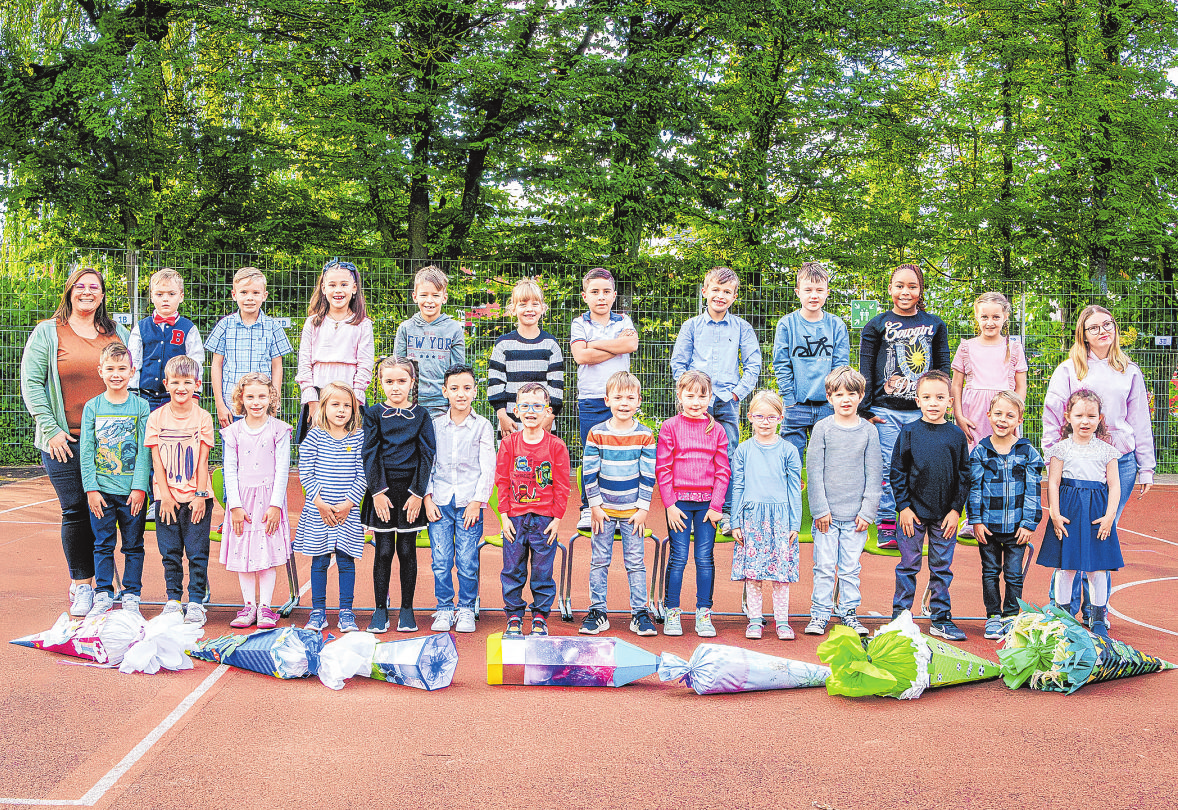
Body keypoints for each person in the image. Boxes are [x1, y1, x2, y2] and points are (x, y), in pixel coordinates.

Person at [20, 267, 130, 615]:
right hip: (64, 440)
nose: (86, 291)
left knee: (109, 513)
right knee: (76, 510)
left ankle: (106, 588)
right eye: (79, 286)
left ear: (102, 295)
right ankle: (82, 585)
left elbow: (130, 379)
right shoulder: (48, 333)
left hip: (110, 442)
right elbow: (31, 382)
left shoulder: (118, 332)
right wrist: (50, 429)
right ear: (69, 292)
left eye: (93, 287)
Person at [1042, 305, 1154, 621]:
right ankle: (1061, 610)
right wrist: (1054, 458)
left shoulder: (1129, 371)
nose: (1103, 330)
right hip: (1077, 467)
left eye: (1108, 324)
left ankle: (1096, 611)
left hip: (1120, 464)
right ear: (1084, 335)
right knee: (1071, 532)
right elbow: (1052, 417)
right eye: (1094, 327)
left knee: (1102, 531)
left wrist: (1146, 465)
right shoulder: (1068, 370)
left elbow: (1140, 420)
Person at [859, 263, 951, 548]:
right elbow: (866, 369)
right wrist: (866, 409)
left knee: (920, 469)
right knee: (888, 468)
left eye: (912, 286)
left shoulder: (935, 324)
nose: (905, 291)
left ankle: (917, 523)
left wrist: (941, 404)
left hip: (922, 414)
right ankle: (887, 525)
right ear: (890, 289)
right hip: (886, 412)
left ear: (920, 289)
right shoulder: (876, 324)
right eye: (899, 285)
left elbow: (943, 367)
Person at [670, 266, 760, 534]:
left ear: (734, 297)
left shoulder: (742, 328)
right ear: (705, 291)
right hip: (697, 404)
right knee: (694, 456)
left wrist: (736, 393)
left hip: (726, 402)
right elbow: (679, 363)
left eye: (727, 292)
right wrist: (690, 394)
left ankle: (727, 513)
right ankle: (694, 509)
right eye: (716, 290)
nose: (721, 296)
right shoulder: (692, 327)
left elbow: (754, 363)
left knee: (728, 455)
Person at [889, 369, 970, 641]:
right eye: (927, 397)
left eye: (939, 397)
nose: (933, 403)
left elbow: (964, 476)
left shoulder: (957, 436)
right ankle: (900, 617)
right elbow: (897, 473)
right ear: (917, 400)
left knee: (941, 568)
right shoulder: (909, 432)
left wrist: (956, 511)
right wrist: (904, 508)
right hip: (912, 515)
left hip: (945, 517)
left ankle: (941, 618)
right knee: (908, 566)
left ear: (950, 401)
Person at [578, 371, 658, 638]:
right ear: (607, 400)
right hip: (603, 512)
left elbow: (648, 474)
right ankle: (598, 611)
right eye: (618, 397)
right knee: (599, 561)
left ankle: (639, 613)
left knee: (635, 562)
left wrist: (643, 508)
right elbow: (589, 472)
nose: (624, 403)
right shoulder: (596, 433)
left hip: (633, 512)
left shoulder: (645, 435)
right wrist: (595, 506)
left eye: (630, 397)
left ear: (639, 401)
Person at [360, 357, 437, 634]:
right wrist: (377, 492)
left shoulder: (422, 416)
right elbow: (369, 453)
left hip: (410, 494)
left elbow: (427, 455)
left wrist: (418, 493)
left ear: (412, 382)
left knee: (406, 550)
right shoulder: (373, 414)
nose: (395, 387)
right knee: (382, 551)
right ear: (380, 384)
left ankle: (407, 609)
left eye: (401, 381)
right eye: (389, 381)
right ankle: (380, 609)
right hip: (382, 492)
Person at [1038, 389, 1122, 640]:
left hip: (1096, 512)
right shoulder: (1060, 449)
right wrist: (1054, 512)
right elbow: (1053, 483)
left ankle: (1098, 617)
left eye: (1091, 416)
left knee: (1098, 569)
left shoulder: (1107, 451)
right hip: (1069, 512)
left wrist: (1109, 517)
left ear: (1100, 418)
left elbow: (1114, 485)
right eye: (1079, 415)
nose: (1085, 421)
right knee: (1067, 567)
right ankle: (1063, 617)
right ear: (1068, 417)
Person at [804, 366, 882, 637]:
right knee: (824, 567)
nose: (845, 399)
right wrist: (820, 510)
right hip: (827, 517)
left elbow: (875, 474)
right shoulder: (822, 429)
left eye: (851, 393)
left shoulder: (868, 432)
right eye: (839, 394)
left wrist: (867, 511)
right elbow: (814, 472)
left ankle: (848, 612)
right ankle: (820, 614)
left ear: (861, 396)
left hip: (856, 518)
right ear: (829, 397)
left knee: (850, 568)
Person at [655, 371, 731, 638]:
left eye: (702, 396)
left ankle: (704, 613)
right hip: (678, 505)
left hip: (707, 507)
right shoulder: (670, 427)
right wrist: (669, 505)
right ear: (679, 396)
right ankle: (672, 612)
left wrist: (717, 505)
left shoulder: (717, 430)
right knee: (679, 558)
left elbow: (723, 471)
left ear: (710, 398)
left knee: (704, 558)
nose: (696, 401)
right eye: (690, 395)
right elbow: (663, 468)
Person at [80, 342, 151, 618]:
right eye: (110, 368)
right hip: (102, 493)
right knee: (102, 544)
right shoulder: (92, 407)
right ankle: (103, 593)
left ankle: (132, 593)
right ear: (100, 371)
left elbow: (145, 450)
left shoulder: (141, 406)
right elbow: (86, 450)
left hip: (131, 494)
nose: (116, 374)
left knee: (134, 545)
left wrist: (139, 487)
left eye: (122, 368)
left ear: (132, 371)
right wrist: (91, 489)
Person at [495, 383, 572, 637]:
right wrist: (504, 516)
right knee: (512, 569)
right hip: (515, 520)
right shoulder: (508, 444)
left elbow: (562, 485)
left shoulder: (556, 446)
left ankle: (540, 616)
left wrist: (557, 519)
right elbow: (502, 481)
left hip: (544, 521)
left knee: (542, 571)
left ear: (547, 411)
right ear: (516, 410)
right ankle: (514, 616)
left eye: (537, 406)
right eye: (525, 406)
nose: (531, 411)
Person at [951, 291, 1028, 539]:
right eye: (984, 317)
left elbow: (1021, 385)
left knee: (1002, 466)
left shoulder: (1014, 348)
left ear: (1005, 317)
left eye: (996, 316)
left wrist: (1015, 414)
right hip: (974, 413)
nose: (990, 322)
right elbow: (956, 385)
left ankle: (1000, 518)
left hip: (1003, 412)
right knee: (974, 465)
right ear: (977, 317)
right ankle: (971, 520)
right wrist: (959, 416)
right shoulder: (966, 347)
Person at [423, 364, 495, 634]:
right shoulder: (435, 426)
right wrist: (428, 498)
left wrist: (477, 501)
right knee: (441, 560)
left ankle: (465, 608)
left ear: (475, 392)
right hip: (440, 502)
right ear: (445, 392)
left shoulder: (483, 427)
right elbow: (427, 464)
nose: (460, 394)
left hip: (468, 505)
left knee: (467, 560)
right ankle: (444, 608)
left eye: (466, 388)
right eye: (454, 389)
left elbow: (488, 468)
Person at [145, 356, 215, 626]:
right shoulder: (156, 418)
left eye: (187, 382)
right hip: (167, 499)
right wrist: (164, 496)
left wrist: (199, 496)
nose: (181, 387)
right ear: (166, 384)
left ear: (197, 384)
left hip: (197, 498)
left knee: (197, 552)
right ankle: (173, 600)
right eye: (175, 382)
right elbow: (156, 462)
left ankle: (196, 601)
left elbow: (202, 460)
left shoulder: (203, 418)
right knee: (170, 552)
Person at [968, 391, 1043, 640]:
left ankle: (1011, 616)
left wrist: (1029, 523)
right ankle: (993, 616)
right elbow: (974, 488)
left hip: (1016, 528)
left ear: (1019, 420)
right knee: (990, 571)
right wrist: (976, 521)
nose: (1003, 419)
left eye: (1010, 415)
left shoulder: (1027, 452)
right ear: (988, 415)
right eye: (998, 414)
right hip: (988, 527)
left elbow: (1033, 490)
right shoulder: (980, 452)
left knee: (1013, 574)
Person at [220, 373, 292, 630]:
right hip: (243, 504)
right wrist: (235, 506)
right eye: (250, 396)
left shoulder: (280, 430)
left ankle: (266, 608)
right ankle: (249, 605)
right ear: (241, 398)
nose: (256, 402)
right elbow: (229, 470)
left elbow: (283, 469)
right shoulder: (233, 432)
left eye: (262, 396)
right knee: (244, 552)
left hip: (268, 503)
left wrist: (275, 505)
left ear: (271, 397)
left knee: (266, 553)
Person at [295, 382, 367, 633]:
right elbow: (306, 471)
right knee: (320, 562)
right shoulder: (314, 436)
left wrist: (348, 504)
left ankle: (346, 612)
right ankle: (318, 612)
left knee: (347, 561)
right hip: (319, 511)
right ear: (323, 407)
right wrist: (320, 503)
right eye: (335, 404)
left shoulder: (359, 437)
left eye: (347, 405)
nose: (341, 410)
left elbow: (363, 474)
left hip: (347, 511)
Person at [730, 391, 802, 641]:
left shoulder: (789, 450)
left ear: (780, 418)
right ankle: (755, 620)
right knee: (754, 575)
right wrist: (735, 521)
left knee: (780, 576)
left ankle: (782, 621)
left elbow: (795, 488)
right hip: (751, 519)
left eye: (771, 417)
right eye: (759, 416)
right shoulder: (743, 450)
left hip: (780, 519)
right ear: (750, 417)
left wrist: (794, 522)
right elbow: (737, 485)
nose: (765, 421)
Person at [570, 267, 638, 531]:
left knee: (621, 456)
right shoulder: (579, 323)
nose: (601, 297)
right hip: (590, 400)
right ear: (585, 295)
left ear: (614, 295)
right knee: (592, 455)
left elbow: (630, 346)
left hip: (621, 400)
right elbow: (581, 357)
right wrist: (613, 344)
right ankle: (589, 507)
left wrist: (594, 344)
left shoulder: (624, 321)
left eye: (606, 292)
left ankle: (619, 509)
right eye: (595, 292)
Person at [772, 262, 849, 459]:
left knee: (826, 464)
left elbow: (840, 367)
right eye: (808, 290)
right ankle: (790, 492)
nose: (813, 295)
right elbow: (781, 364)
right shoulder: (787, 325)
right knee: (790, 463)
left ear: (827, 292)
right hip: (796, 405)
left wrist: (835, 400)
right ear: (798, 292)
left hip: (827, 406)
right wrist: (788, 400)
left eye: (819, 290)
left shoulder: (836, 325)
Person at [294, 259, 374, 443]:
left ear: (354, 288)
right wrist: (312, 402)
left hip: (350, 398)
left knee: (350, 452)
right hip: (318, 397)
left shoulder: (363, 324)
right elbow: (304, 364)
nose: (338, 290)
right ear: (323, 288)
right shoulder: (312, 323)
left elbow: (365, 366)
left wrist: (353, 403)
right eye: (332, 285)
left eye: (344, 284)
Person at [205, 266, 293, 429]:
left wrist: (274, 402)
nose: (249, 298)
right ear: (234, 295)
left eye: (255, 293)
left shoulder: (273, 327)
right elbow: (216, 365)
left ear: (264, 296)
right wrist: (220, 405)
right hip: (232, 407)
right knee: (233, 452)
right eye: (244, 292)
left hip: (262, 407)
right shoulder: (225, 326)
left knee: (263, 452)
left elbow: (277, 367)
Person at [487, 277, 564, 437]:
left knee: (543, 462)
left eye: (535, 304)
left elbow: (556, 386)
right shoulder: (503, 344)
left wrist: (549, 417)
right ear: (513, 309)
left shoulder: (551, 345)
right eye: (523, 304)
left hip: (542, 422)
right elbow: (495, 382)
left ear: (543, 308)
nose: (530, 309)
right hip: (511, 422)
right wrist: (501, 415)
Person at [394, 265, 466, 418]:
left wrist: (455, 403)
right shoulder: (405, 329)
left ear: (444, 298)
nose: (429, 301)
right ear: (415, 297)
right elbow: (398, 368)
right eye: (424, 295)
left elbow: (458, 371)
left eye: (435, 295)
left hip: (442, 403)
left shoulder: (454, 329)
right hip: (411, 402)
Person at [129, 268, 204, 412]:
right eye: (159, 294)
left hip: (178, 397)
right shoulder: (140, 328)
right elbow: (133, 361)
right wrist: (132, 391)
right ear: (151, 297)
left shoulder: (189, 329)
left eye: (171, 294)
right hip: (145, 397)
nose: (165, 299)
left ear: (181, 296)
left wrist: (195, 392)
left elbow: (196, 361)